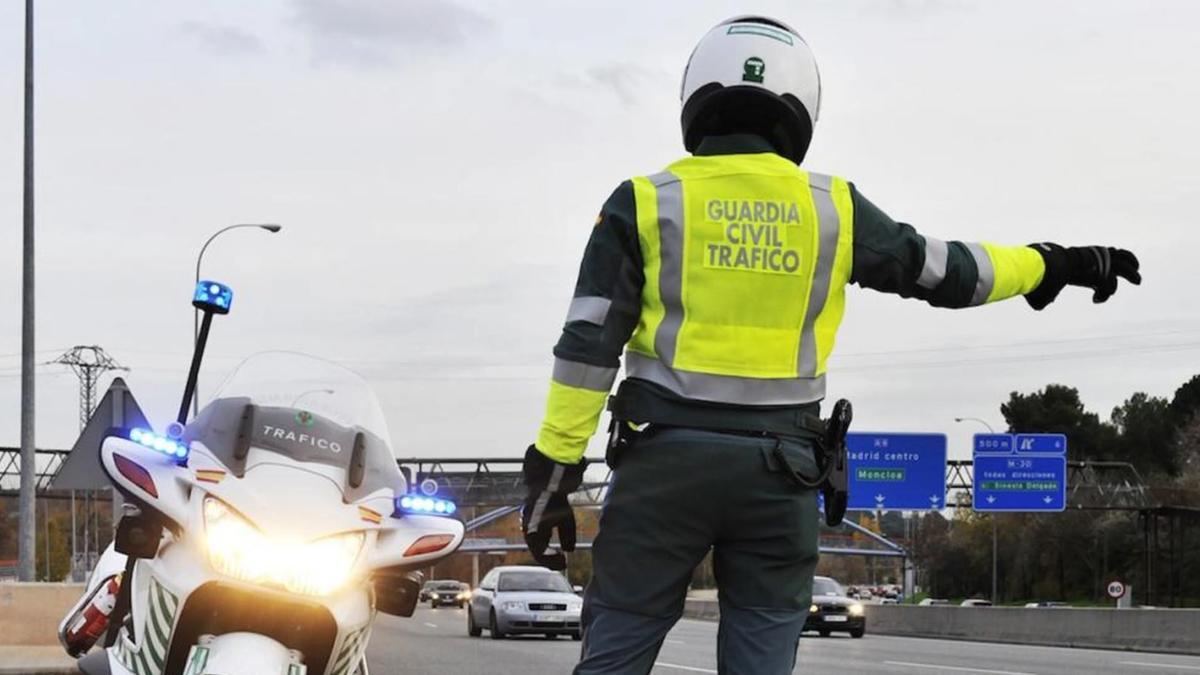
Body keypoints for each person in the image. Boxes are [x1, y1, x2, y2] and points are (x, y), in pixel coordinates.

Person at [520, 15, 1140, 675]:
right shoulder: (831, 209)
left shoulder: (645, 201)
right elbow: (948, 270)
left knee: (617, 647)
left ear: (696, 96)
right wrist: (1052, 264)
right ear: (800, 107)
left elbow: (587, 348)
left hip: (662, 470)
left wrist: (554, 474)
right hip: (780, 477)